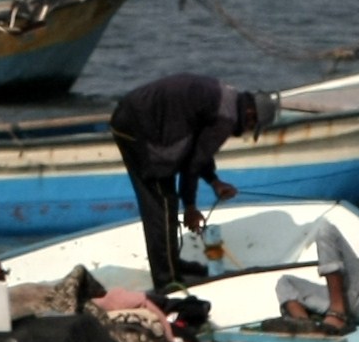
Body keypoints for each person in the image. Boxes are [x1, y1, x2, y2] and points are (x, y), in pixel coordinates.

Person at [106, 72, 262, 291]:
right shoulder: (227, 118)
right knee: (162, 203)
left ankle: (171, 264)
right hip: (139, 126)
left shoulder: (227, 100)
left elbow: (198, 149)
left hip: (137, 117)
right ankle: (167, 279)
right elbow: (194, 163)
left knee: (165, 198)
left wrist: (214, 181)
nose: (244, 132)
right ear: (250, 114)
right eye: (250, 128)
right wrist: (190, 206)